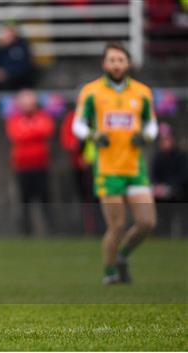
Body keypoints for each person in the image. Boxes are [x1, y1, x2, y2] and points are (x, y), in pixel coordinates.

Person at [72, 42, 158, 285]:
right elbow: (77, 125)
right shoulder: (91, 92)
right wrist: (93, 134)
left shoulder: (142, 92)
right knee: (117, 225)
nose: (116, 64)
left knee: (147, 222)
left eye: (120, 60)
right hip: (108, 168)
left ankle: (122, 255)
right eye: (112, 60)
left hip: (134, 167)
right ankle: (110, 272)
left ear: (127, 63)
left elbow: (151, 123)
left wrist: (147, 135)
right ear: (104, 63)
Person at [6, 89, 55, 235]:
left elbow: (46, 131)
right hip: (22, 167)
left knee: (45, 200)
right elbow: (16, 135)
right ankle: (26, 232)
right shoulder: (14, 119)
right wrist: (33, 131)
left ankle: (51, 231)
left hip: (41, 166)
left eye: (30, 101)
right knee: (24, 201)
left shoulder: (43, 116)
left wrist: (29, 131)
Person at [151, 122, 188, 237]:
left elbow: (183, 176)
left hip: (180, 191)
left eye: (166, 139)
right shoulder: (158, 157)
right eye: (162, 140)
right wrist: (158, 187)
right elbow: (154, 176)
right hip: (162, 193)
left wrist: (170, 187)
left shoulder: (181, 156)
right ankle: (160, 232)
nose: (164, 143)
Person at [0, 24, 35, 91]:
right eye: (5, 33)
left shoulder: (22, 46)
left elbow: (24, 66)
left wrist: (6, 72)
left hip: (17, 77)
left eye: (8, 32)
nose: (6, 35)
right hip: (0, 77)